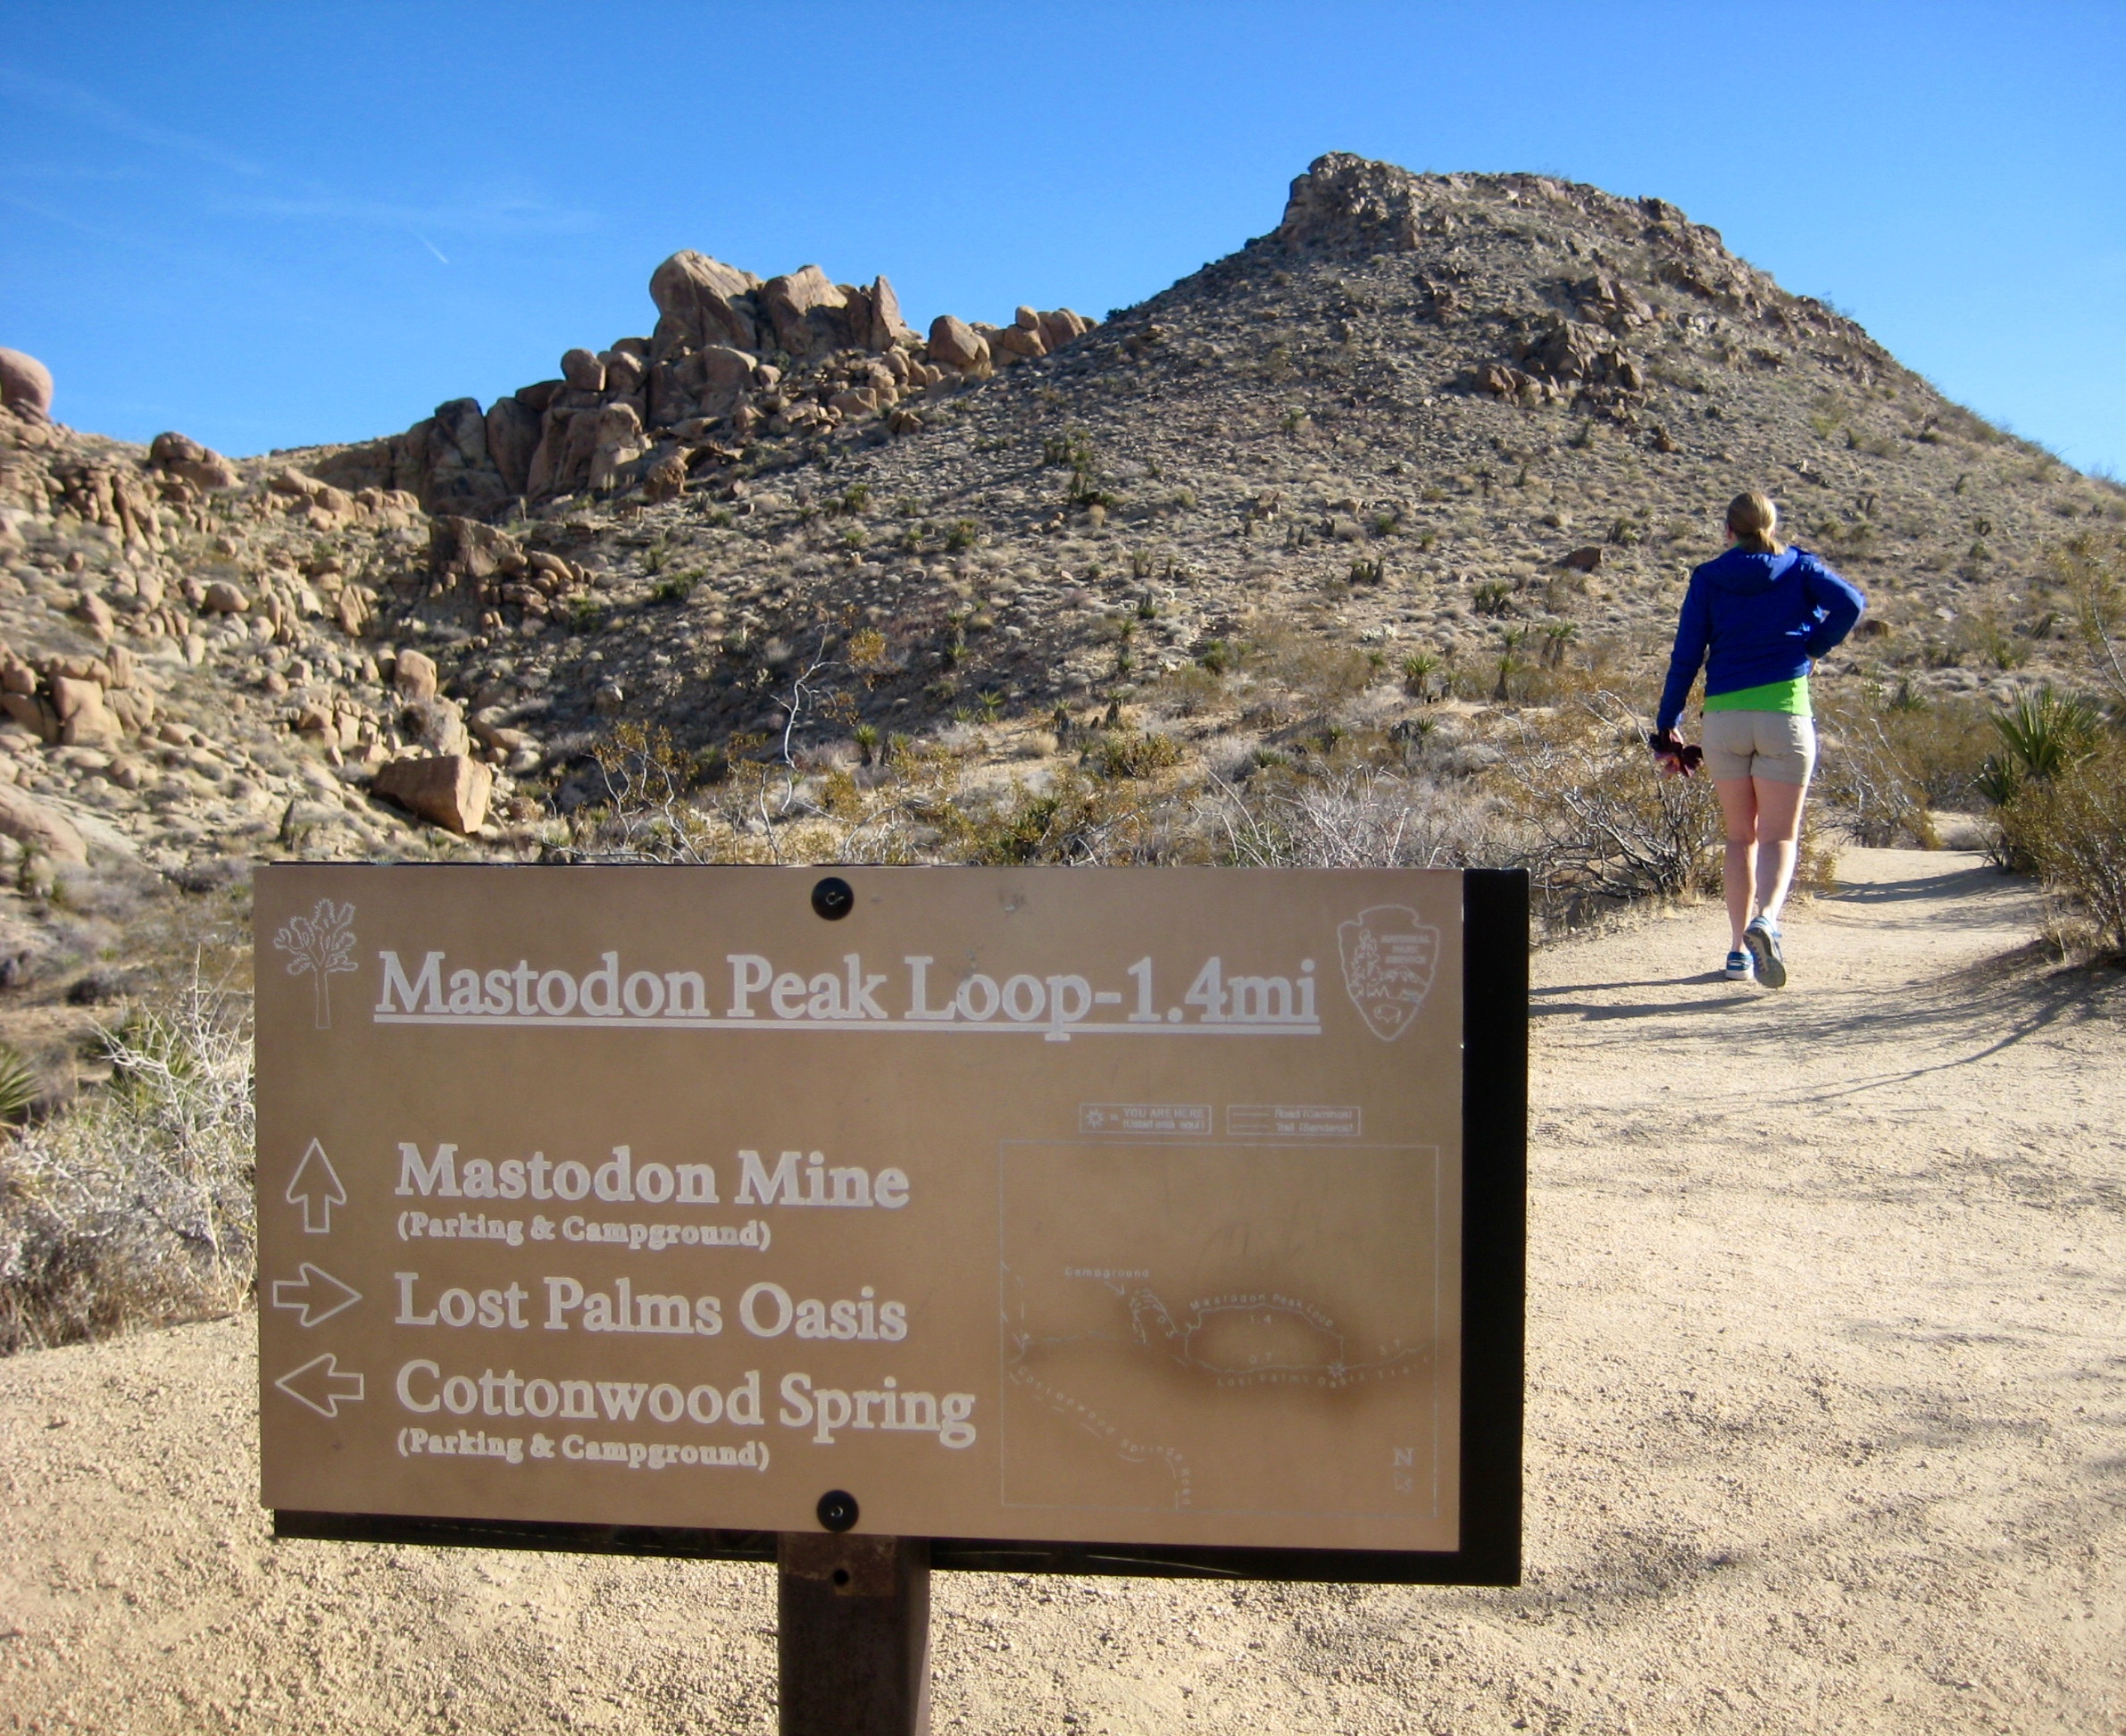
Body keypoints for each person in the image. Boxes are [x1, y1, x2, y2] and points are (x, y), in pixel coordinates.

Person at [1652, 492, 1865, 988]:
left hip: (1725, 717)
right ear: (1771, 525)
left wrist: (1669, 721)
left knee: (1738, 837)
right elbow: (1851, 604)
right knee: (1778, 836)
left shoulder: (1708, 578)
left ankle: (1736, 954)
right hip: (1784, 715)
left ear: (1728, 531)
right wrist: (1812, 645)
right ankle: (1766, 920)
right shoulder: (1801, 569)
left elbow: (1685, 655)